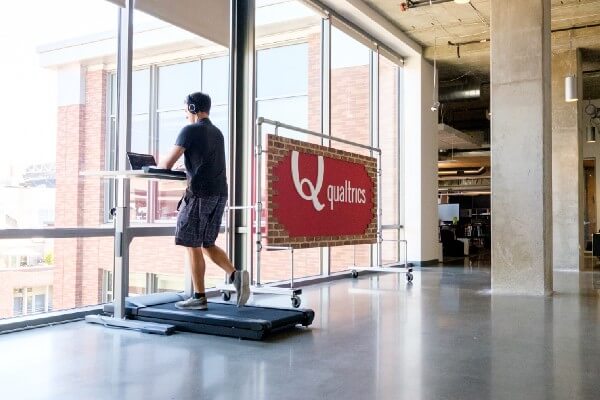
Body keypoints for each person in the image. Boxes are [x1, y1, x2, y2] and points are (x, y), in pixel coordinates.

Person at [158, 92, 250, 310]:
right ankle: (236, 275)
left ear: (192, 108)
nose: (185, 115)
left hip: (200, 194)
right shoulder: (217, 133)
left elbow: (166, 165)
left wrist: (162, 166)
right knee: (207, 243)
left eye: (185, 110)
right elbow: (205, 162)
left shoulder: (190, 130)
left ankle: (199, 297)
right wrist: (189, 169)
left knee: (192, 243)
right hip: (219, 194)